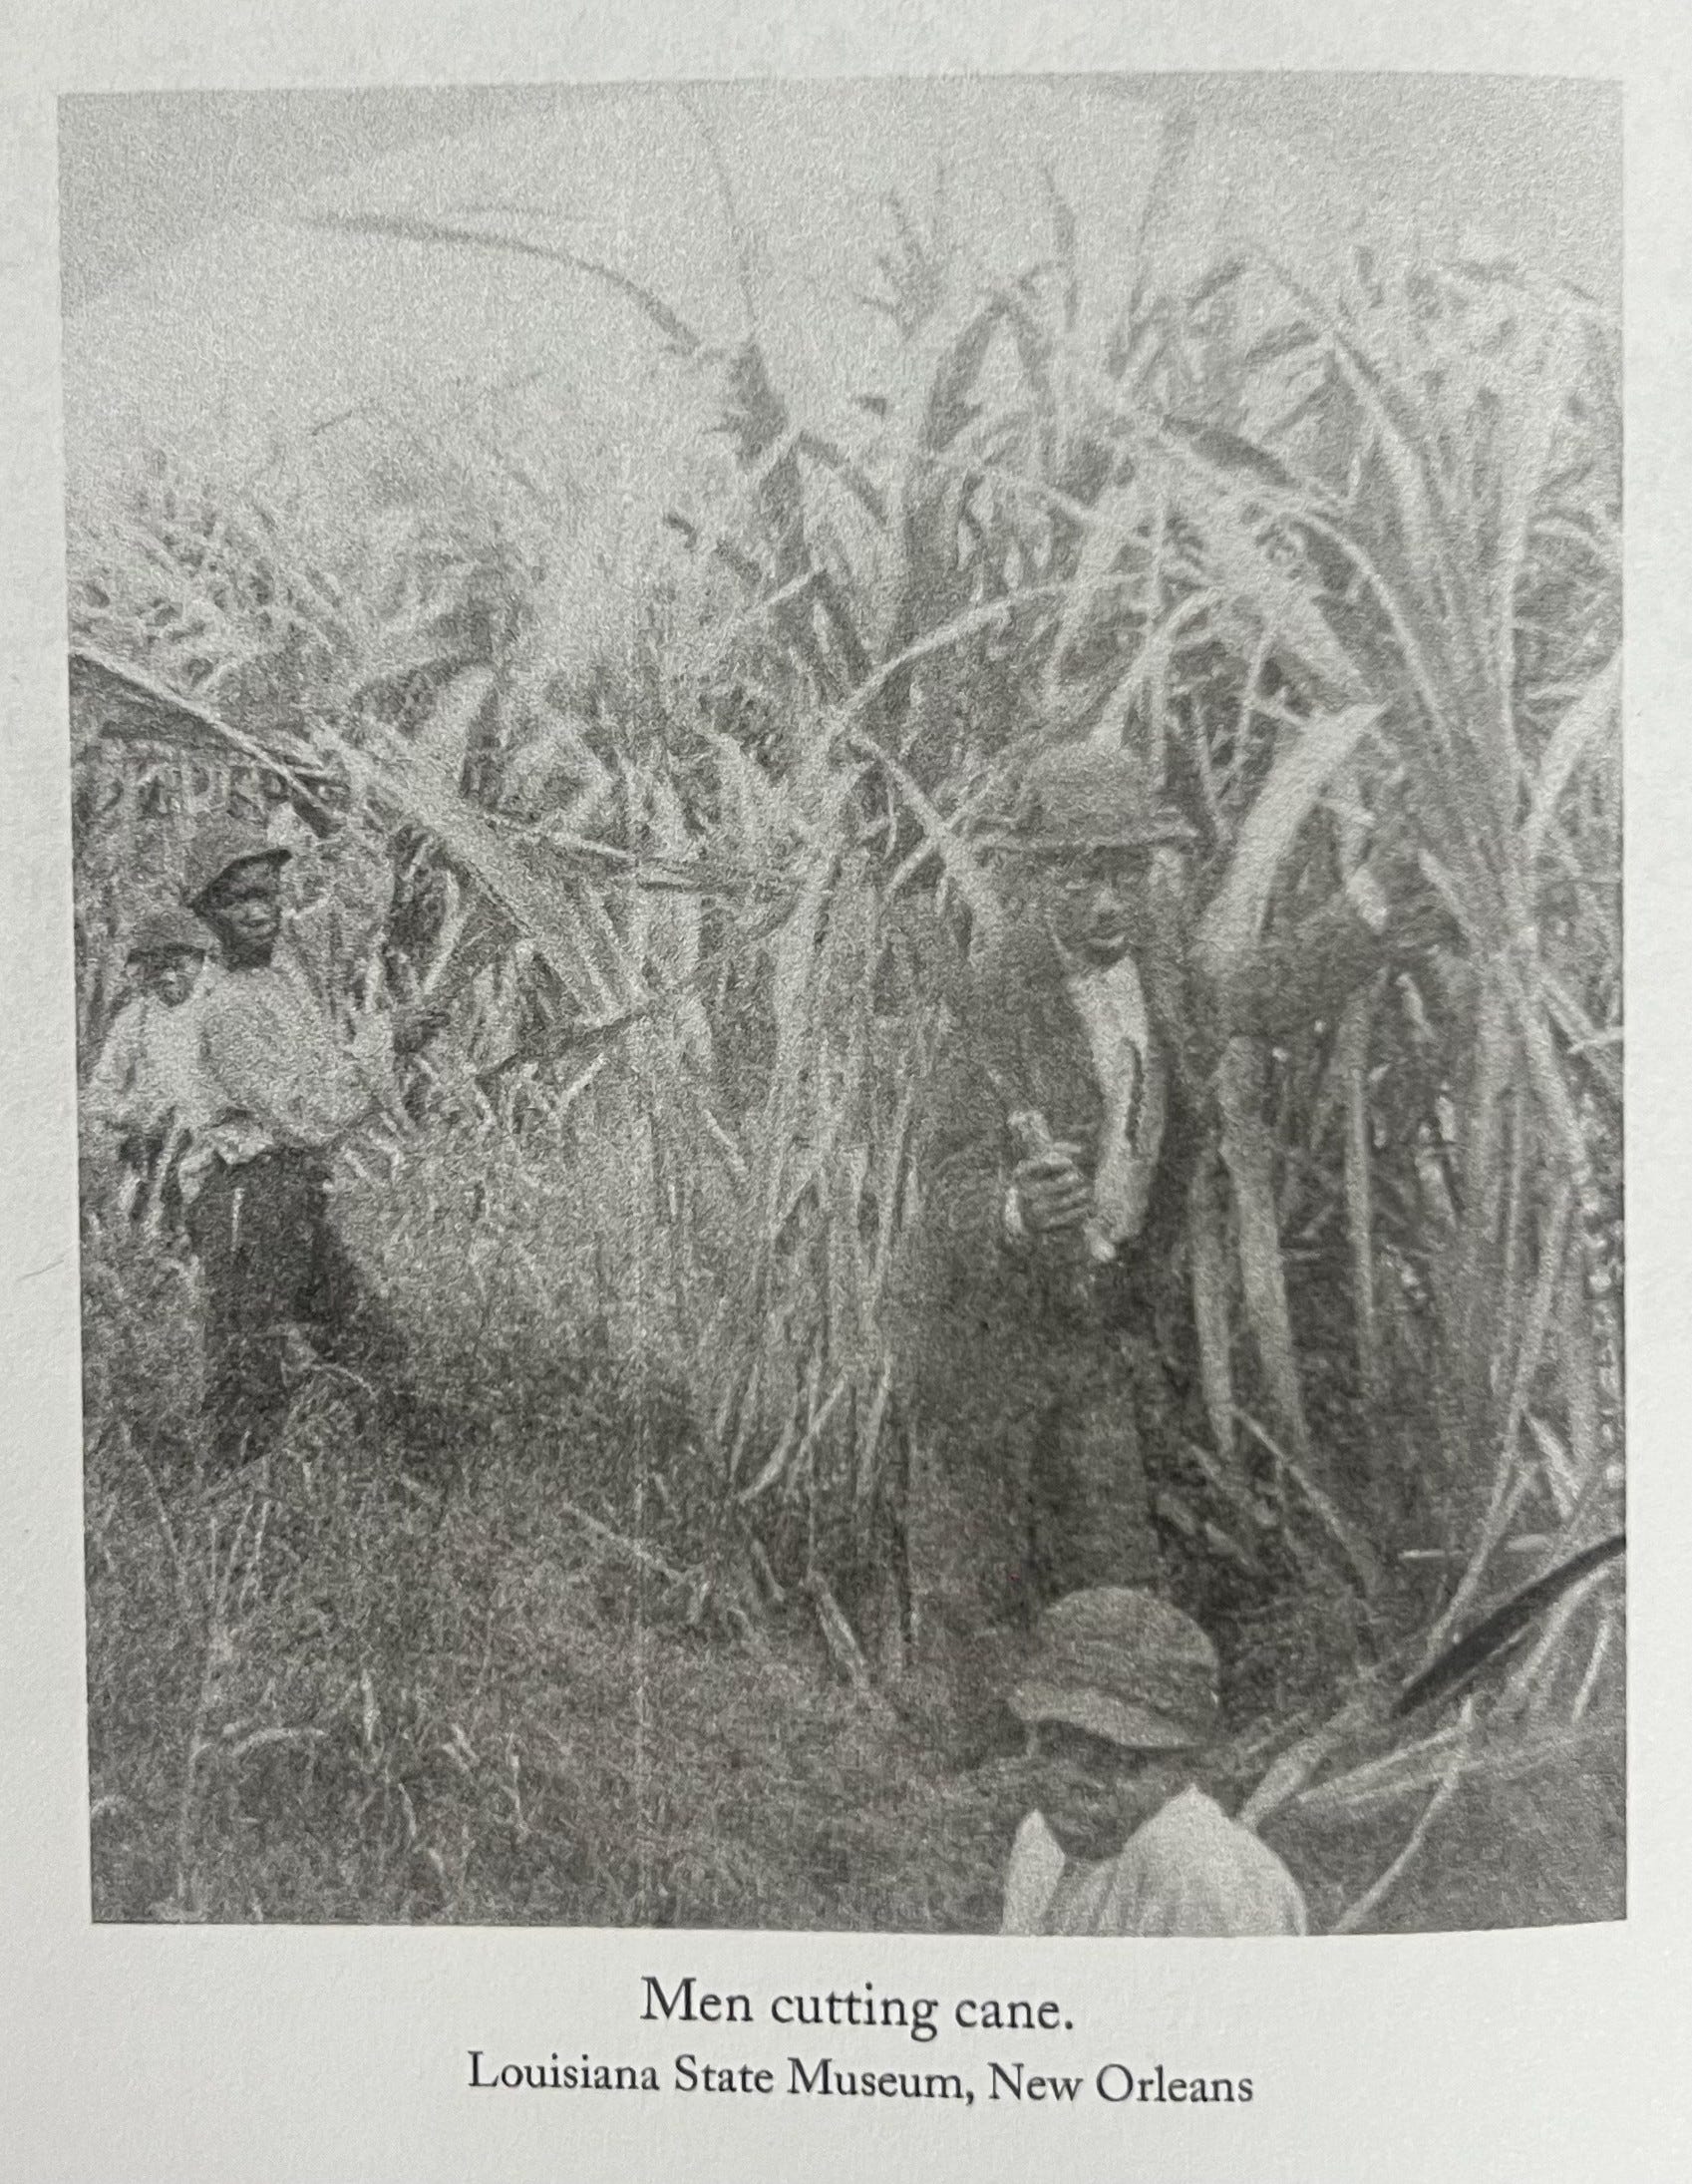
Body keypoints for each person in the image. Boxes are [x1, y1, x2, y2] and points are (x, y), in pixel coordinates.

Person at [903, 741, 1450, 1702]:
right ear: (1033, 880)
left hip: (1088, 1316)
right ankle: (955, 1757)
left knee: (1111, 1553)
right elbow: (943, 1181)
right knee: (971, 1564)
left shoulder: (1158, 971)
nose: (1107, 900)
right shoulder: (996, 1002)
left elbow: (1264, 994)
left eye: (1125, 872)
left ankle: (1107, 1746)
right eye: (1079, 877)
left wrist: (1373, 894)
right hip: (982, 1325)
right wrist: (1014, 1208)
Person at [176, 816, 438, 1469]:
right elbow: (305, 1114)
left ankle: (421, 1475)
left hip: (290, 1190)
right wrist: (387, 1041)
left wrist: (339, 824)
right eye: (239, 901)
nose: (259, 912)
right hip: (243, 1198)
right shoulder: (223, 1007)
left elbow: (362, 903)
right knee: (248, 1364)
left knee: (365, 1339)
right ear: (205, 914)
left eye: (268, 892)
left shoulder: (291, 950)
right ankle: (230, 1501)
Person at [999, 1587, 1308, 1937]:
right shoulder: (1040, 1842)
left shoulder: (1200, 1870)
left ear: (1182, 1768)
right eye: (1055, 1746)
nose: (1081, 1782)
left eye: (1123, 1760)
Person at [83, 905, 214, 1223]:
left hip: (207, 1155)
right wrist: (130, 1113)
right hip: (150, 1153)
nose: (168, 976)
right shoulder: (135, 1019)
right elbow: (99, 1093)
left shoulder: (218, 1012)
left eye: (179, 966)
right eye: (158, 966)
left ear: (200, 962)